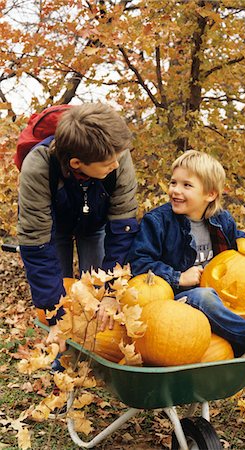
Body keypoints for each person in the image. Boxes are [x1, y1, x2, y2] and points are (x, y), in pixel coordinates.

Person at [127, 150, 245, 358]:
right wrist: (178, 277)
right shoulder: (158, 222)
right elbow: (139, 262)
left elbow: (235, 243)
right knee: (204, 296)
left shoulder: (221, 220)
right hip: (177, 300)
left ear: (210, 194)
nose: (175, 190)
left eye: (186, 185)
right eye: (173, 183)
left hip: (216, 292)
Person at [18, 102, 139, 352]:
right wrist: (55, 314)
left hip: (96, 224)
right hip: (52, 230)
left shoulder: (117, 156)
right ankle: (59, 359)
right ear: (76, 163)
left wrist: (110, 290)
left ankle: (90, 355)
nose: (116, 165)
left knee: (96, 294)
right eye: (108, 164)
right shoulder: (37, 166)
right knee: (58, 299)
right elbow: (36, 243)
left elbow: (123, 227)